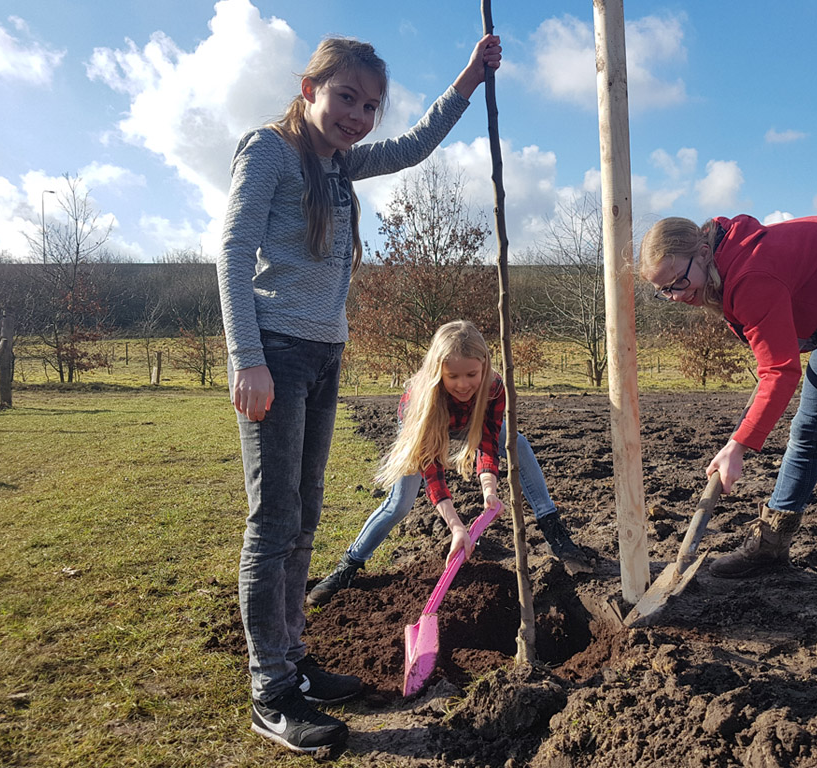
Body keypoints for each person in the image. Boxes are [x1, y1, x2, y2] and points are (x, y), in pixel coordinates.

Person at [217, 34, 501, 755]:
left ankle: (293, 659)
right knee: (274, 520)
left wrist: (468, 79)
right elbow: (232, 248)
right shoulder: (271, 151)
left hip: (323, 355)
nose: (359, 115)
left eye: (370, 104)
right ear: (307, 88)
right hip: (275, 352)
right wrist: (246, 358)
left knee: (306, 514)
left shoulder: (341, 165)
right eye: (346, 97)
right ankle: (270, 690)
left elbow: (413, 146)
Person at [639, 214, 817, 659]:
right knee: (807, 428)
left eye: (678, 281)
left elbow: (780, 371)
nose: (675, 296)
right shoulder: (725, 266)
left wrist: (738, 445)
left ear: (703, 252)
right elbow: (779, 350)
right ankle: (771, 544)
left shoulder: (750, 275)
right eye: (664, 290)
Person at [307, 320, 591, 606]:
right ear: (438, 371)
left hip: (470, 422)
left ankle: (554, 530)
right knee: (400, 503)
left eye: (471, 374)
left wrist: (489, 491)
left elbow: (489, 441)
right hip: (422, 424)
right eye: (452, 376)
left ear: (484, 366)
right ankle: (348, 566)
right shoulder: (421, 399)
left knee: (518, 442)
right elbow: (432, 468)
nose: (463, 384)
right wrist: (456, 526)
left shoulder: (493, 388)